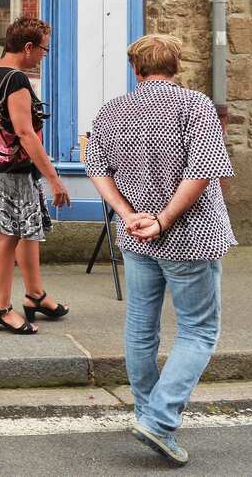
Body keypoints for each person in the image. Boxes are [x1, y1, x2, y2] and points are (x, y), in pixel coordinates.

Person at [87, 34, 235, 467]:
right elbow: (202, 171)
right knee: (198, 330)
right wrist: (163, 218)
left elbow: (97, 168)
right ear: (177, 66)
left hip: (136, 236)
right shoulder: (195, 105)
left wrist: (127, 214)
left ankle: (147, 415)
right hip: (190, 237)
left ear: (136, 69)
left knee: (140, 327)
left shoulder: (113, 110)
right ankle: (159, 418)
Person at [0, 17, 71, 335]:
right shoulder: (16, 81)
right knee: (8, 235)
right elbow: (25, 133)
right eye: (44, 49)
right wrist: (54, 178)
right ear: (28, 47)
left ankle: (35, 295)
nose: (45, 54)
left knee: (27, 230)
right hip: (11, 172)